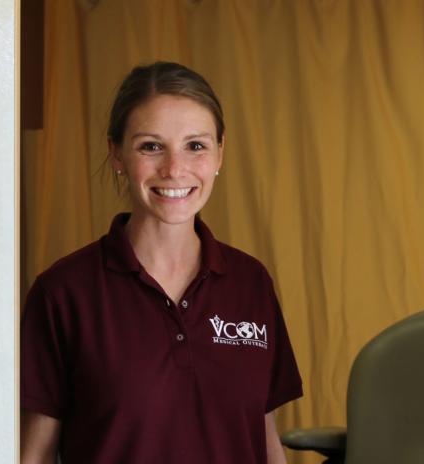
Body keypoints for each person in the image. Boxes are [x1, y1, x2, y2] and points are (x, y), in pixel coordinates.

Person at [20, 61, 302, 464]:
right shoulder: (63, 292)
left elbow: (263, 435)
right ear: (116, 153)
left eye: (196, 146)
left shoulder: (250, 282)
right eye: (151, 146)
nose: (174, 169)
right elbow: (35, 455)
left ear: (220, 153)